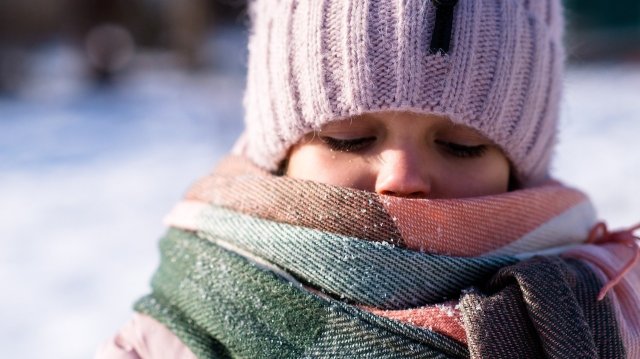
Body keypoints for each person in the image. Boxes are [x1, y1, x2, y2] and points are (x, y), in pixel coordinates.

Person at [97, 0, 640, 358]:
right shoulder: (174, 336)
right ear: (281, 154)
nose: (401, 179)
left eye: (462, 146)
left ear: (519, 170)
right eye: (350, 138)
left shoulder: (609, 312)